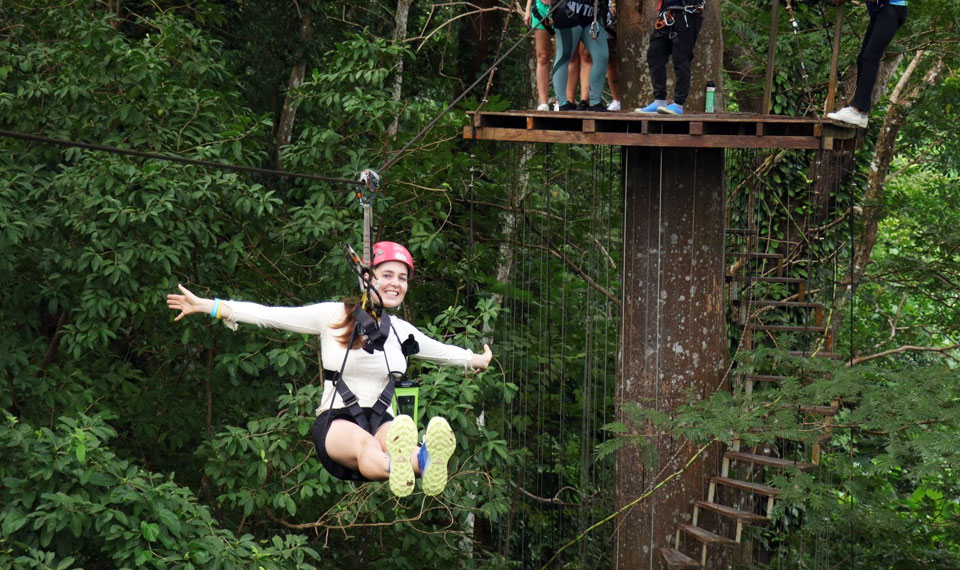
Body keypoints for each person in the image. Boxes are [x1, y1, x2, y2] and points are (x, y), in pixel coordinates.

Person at [166, 241, 494, 498]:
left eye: (403, 278)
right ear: (368, 277)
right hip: (337, 418)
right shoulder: (334, 315)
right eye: (388, 275)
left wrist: (475, 359)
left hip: (382, 418)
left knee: (397, 440)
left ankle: (423, 461)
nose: (396, 283)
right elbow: (270, 315)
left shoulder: (401, 331)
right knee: (367, 447)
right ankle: (412, 462)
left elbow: (444, 352)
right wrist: (210, 306)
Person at [827, 0, 908, 128]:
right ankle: (862, 113)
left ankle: (856, 109)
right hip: (882, 10)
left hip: (892, 9)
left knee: (871, 57)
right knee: (863, 58)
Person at [635, 0, 704, 115]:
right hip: (667, 12)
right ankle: (659, 100)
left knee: (681, 58)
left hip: (688, 12)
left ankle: (678, 104)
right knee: (655, 53)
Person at [547, 0, 610, 111]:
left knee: (602, 55)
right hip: (568, 13)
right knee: (564, 56)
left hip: (593, 15)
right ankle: (562, 102)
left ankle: (595, 102)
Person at [525, 0, 555, 111]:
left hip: (562, 9)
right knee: (542, 56)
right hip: (540, 8)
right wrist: (528, 9)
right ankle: (543, 102)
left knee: (561, 56)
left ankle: (560, 100)